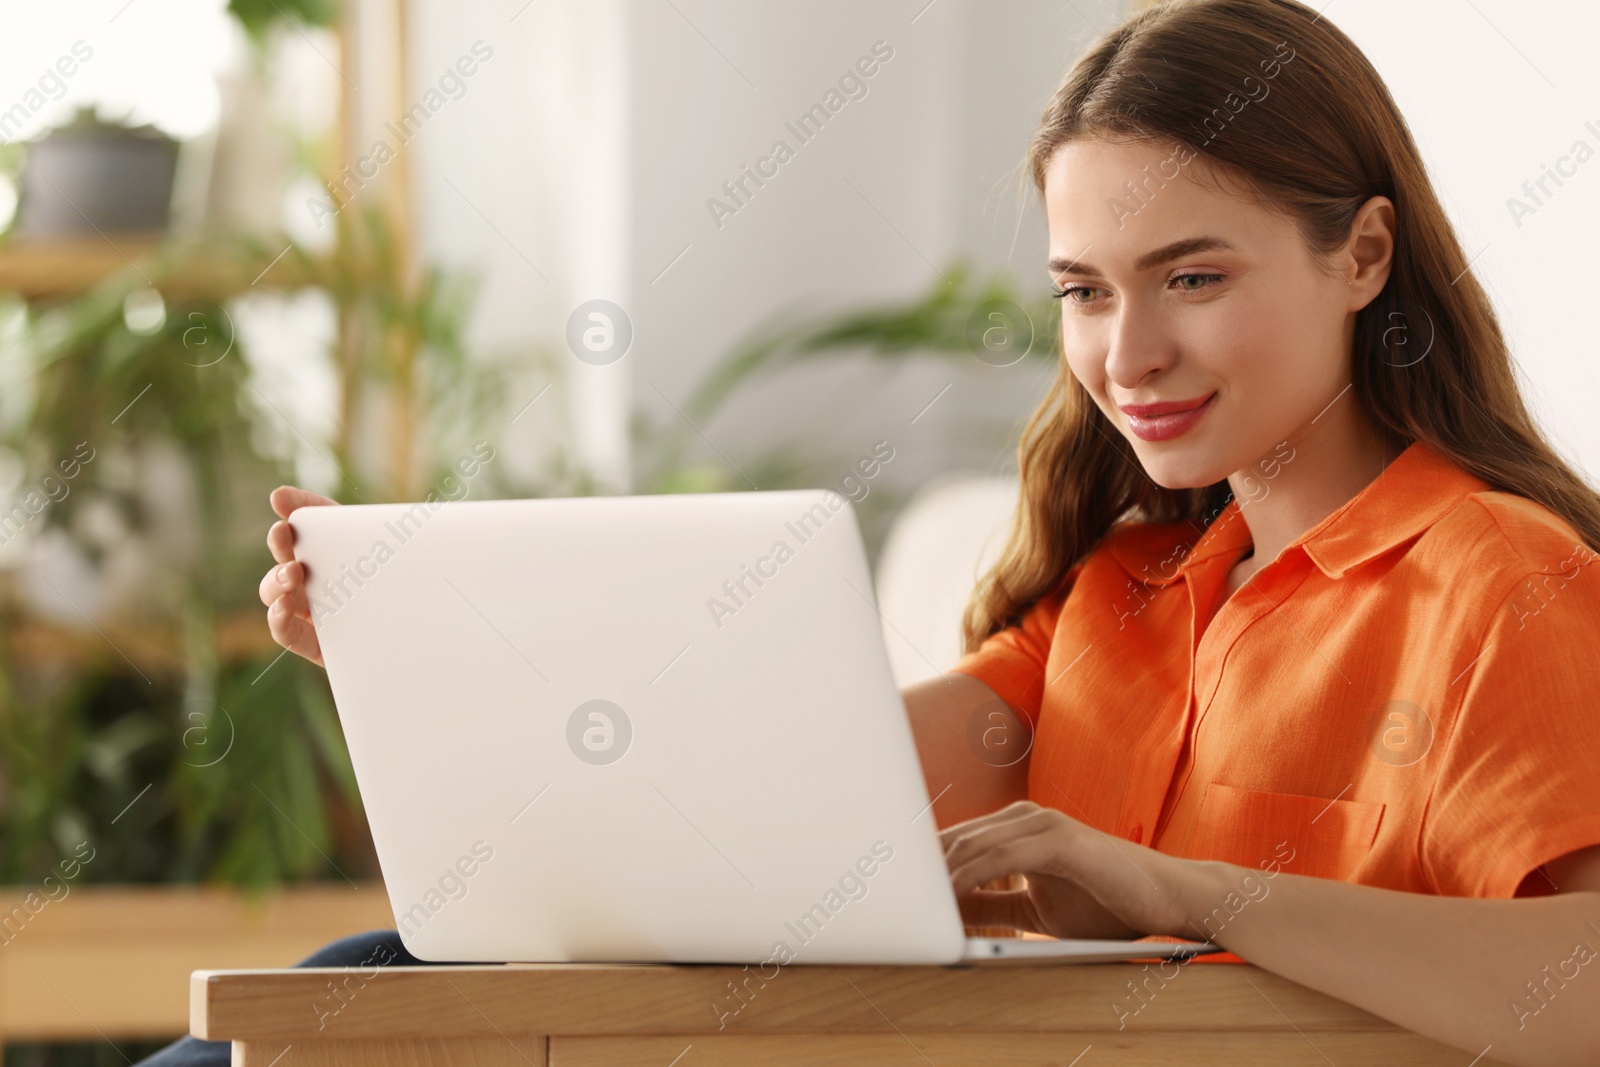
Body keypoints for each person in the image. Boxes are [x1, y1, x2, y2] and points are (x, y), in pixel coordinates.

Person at [144, 1, 1599, 1064]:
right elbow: (747, 795)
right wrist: (438, 664)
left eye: (1193, 277)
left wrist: (1180, 889)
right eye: (1084, 291)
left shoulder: (1501, 580)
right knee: (366, 980)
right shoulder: (1129, 593)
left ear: (1364, 254)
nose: (1129, 350)